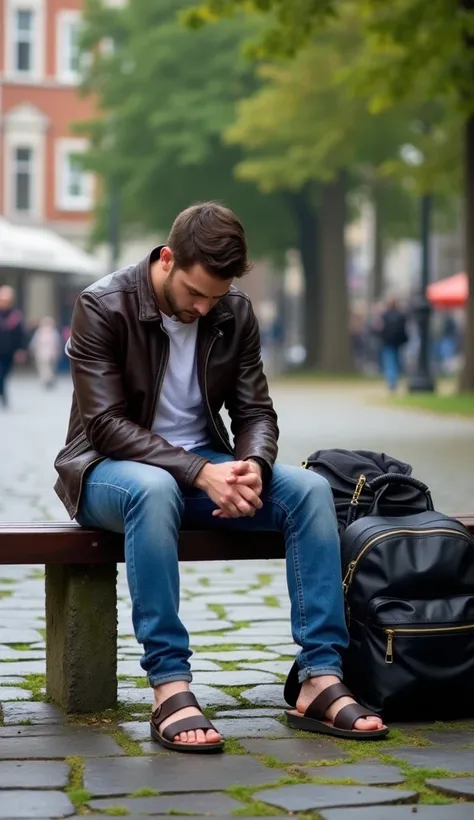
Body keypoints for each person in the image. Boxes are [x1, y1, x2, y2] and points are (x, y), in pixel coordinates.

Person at [53, 202, 388, 754]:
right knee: (155, 488)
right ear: (166, 260)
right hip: (106, 473)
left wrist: (251, 468)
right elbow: (106, 425)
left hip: (205, 472)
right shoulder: (103, 305)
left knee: (307, 491)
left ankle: (319, 677)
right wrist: (199, 471)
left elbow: (255, 413)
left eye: (216, 296)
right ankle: (170, 685)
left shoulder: (233, 310)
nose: (204, 308)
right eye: (194, 293)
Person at [0, 285, 26, 408]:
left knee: (5, 374)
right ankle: (3, 394)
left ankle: (2, 391)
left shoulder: (15, 316)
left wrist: (21, 350)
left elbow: (21, 334)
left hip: (9, 352)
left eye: (8, 300)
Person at [378, 297, 408, 392]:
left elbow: (380, 329)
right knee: (396, 361)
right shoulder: (401, 315)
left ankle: (391, 381)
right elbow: (403, 330)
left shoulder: (385, 316)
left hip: (387, 342)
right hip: (398, 343)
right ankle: (394, 380)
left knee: (389, 362)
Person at [29, 316, 62, 389]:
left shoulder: (50, 332)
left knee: (47, 368)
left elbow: (56, 343)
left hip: (47, 353)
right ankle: (48, 379)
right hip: (44, 353)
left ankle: (48, 379)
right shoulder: (43, 332)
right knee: (46, 367)